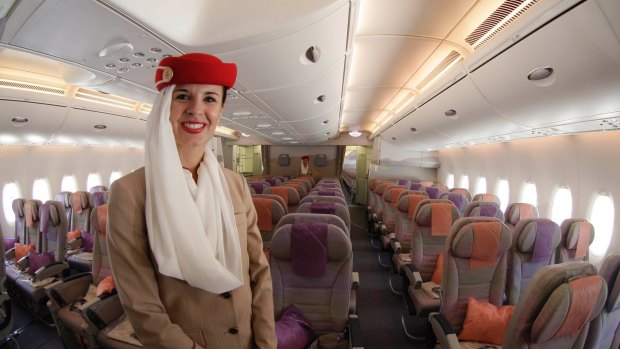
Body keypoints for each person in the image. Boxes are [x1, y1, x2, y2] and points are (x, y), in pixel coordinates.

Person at [107, 53, 277, 349]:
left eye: (210, 99)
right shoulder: (130, 192)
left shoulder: (235, 184)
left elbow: (258, 271)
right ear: (164, 107)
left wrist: (265, 342)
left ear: (221, 110)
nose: (197, 110)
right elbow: (141, 305)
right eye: (183, 96)